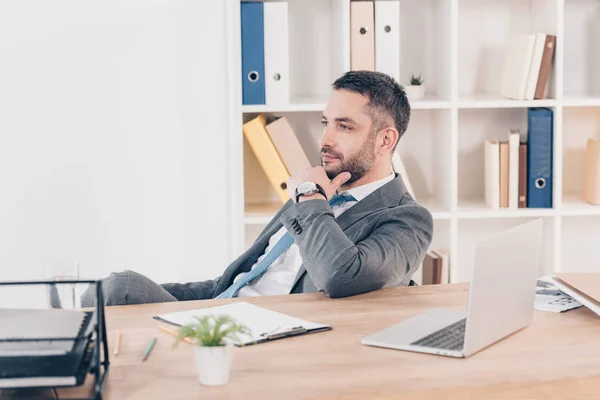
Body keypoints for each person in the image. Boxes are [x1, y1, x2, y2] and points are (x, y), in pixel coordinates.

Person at [81, 70, 434, 307]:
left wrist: (310, 196)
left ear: (385, 139)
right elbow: (244, 279)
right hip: (229, 311)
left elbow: (341, 277)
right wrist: (190, 299)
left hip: (270, 334)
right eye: (326, 122)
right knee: (112, 290)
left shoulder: (407, 219)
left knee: (116, 294)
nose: (325, 139)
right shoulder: (318, 189)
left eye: (344, 126)